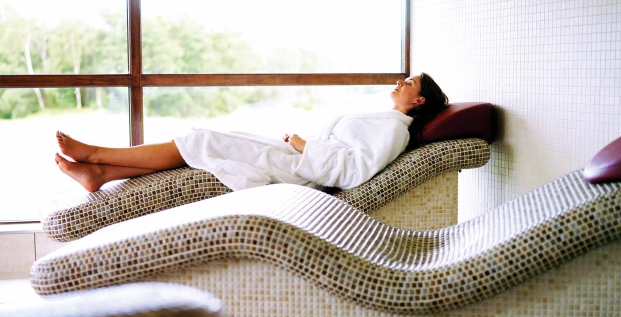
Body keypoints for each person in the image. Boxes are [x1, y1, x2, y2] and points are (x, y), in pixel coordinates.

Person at [55, 73, 449, 193]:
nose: (401, 81)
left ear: (419, 101)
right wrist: (302, 144)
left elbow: (352, 172)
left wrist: (304, 145)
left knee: (202, 140)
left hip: (304, 170)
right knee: (208, 141)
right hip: (301, 159)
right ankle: (102, 174)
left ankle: (95, 156)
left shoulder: (395, 132)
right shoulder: (386, 121)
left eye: (409, 82)